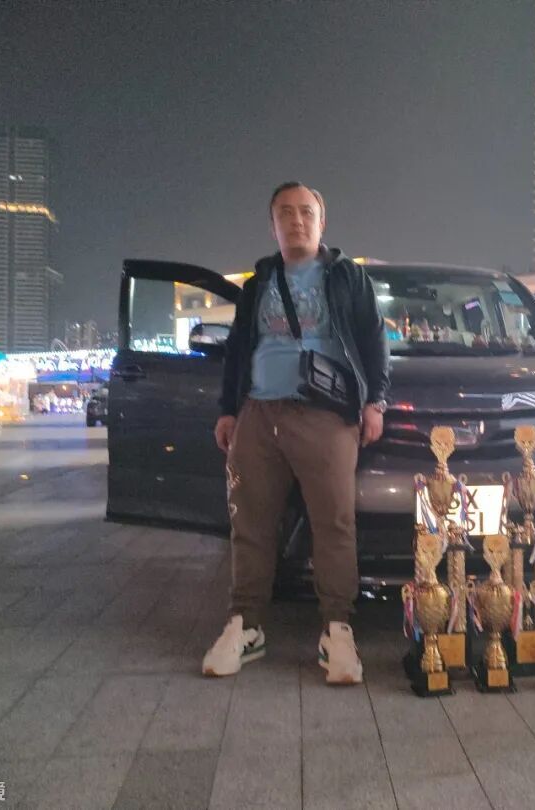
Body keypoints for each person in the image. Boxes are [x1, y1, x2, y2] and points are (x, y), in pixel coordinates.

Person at [202, 181, 391, 685]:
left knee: (334, 524)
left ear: (322, 222)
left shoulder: (347, 276)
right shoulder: (258, 282)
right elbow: (238, 348)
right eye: (285, 212)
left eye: (306, 212)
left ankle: (337, 629)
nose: (296, 220)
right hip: (258, 413)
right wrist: (228, 410)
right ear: (272, 225)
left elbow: (374, 338)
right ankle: (246, 625)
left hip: (326, 415)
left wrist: (375, 401)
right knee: (250, 523)